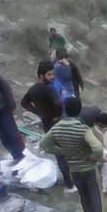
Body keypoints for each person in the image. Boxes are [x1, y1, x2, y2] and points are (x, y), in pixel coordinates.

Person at [40, 97, 105, 212]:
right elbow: (98, 148)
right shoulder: (83, 128)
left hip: (74, 169)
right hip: (89, 168)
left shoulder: (57, 128)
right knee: (94, 194)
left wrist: (62, 151)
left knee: (83, 195)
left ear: (65, 110)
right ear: (79, 110)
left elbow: (44, 145)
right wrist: (95, 158)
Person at [21, 61, 74, 191]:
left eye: (53, 74)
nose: (52, 77)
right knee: (67, 150)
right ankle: (72, 183)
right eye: (49, 75)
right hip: (58, 124)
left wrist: (38, 112)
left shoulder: (33, 89)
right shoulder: (49, 89)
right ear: (41, 76)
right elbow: (58, 103)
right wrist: (57, 115)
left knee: (59, 154)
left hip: (47, 125)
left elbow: (24, 103)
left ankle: (69, 183)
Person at [0, 74, 25, 165]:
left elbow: (5, 86)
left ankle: (21, 154)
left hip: (3, 108)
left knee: (11, 133)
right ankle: (15, 156)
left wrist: (10, 102)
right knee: (3, 136)